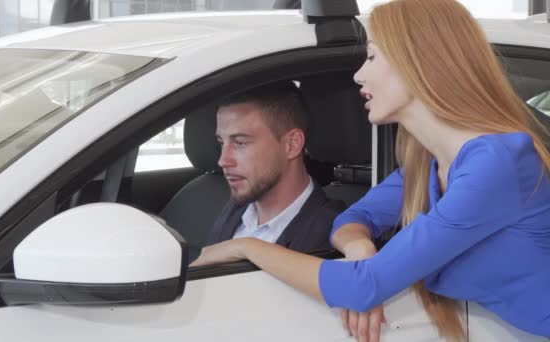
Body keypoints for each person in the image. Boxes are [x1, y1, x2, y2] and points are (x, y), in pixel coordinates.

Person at [191, 0, 550, 341]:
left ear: (419, 65)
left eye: (372, 57)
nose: (359, 75)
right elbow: (355, 216)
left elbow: (363, 287)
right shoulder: (426, 162)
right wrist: (359, 245)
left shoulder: (496, 163)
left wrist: (247, 247)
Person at [204, 81, 345, 253]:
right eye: (221, 142)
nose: (223, 161)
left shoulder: (333, 234)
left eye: (240, 143)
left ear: (292, 145)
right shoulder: (236, 210)